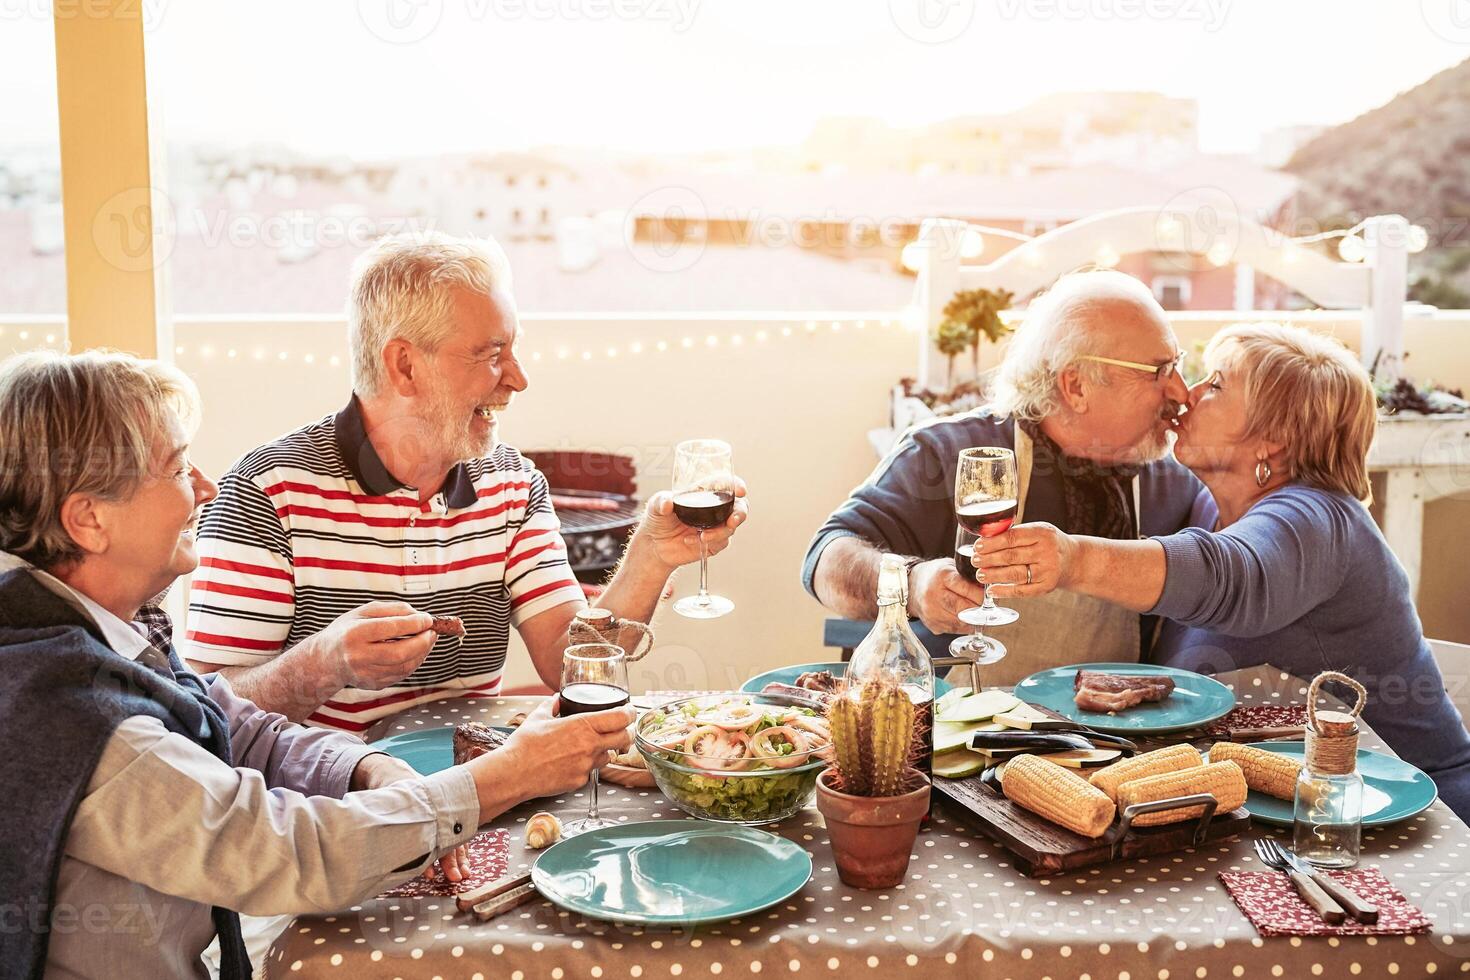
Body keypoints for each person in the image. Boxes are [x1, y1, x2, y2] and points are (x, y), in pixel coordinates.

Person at [0, 350, 634, 978]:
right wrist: (505, 777)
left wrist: (373, 769)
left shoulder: (95, 629)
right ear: (88, 519)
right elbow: (287, 850)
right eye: (176, 468)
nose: (205, 487)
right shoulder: (69, 710)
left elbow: (232, 726)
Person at [184, 232, 747, 730]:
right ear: (404, 366)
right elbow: (208, 712)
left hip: (473, 794)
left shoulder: (513, 484)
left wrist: (650, 556)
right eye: (492, 354)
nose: (519, 380)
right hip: (330, 811)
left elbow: (567, 661)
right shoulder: (265, 494)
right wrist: (323, 663)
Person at [974, 323, 1470, 819]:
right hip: (1278, 804)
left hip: (1407, 817)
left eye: (1215, 385)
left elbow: (1232, 578)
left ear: (1272, 441)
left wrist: (1072, 558)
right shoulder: (1213, 506)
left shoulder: (1318, 521)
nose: (1187, 394)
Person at [802, 270, 1200, 682]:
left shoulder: (1172, 484)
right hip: (959, 737)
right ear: (1076, 386)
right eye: (1157, 371)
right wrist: (913, 585)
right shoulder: (950, 454)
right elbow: (824, 562)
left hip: (1111, 743)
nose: (1180, 391)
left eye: (1176, 364)